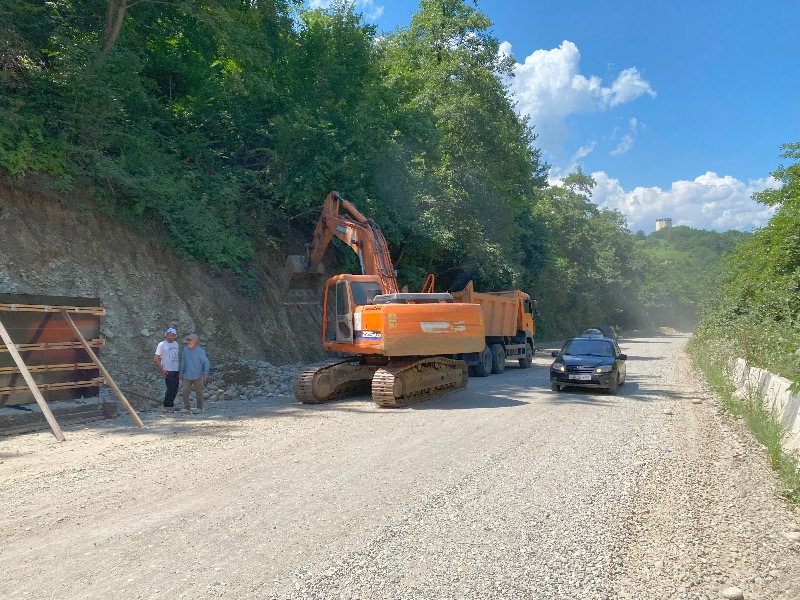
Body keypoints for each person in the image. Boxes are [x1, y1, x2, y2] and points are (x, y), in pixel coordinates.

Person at [179, 333, 210, 413]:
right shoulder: (185, 350)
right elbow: (183, 362)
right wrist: (181, 372)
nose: (188, 341)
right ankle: (187, 408)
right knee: (184, 391)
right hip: (187, 375)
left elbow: (206, 362)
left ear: (195, 341)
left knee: (199, 392)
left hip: (198, 375)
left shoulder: (200, 351)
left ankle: (200, 407)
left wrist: (206, 373)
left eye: (190, 340)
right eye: (187, 340)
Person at [154, 327, 180, 412]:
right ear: (166, 335)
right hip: (167, 369)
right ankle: (166, 405)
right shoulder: (162, 344)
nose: (170, 337)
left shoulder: (176, 344)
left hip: (176, 369)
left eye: (172, 335)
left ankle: (171, 404)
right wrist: (161, 369)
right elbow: (156, 357)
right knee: (170, 387)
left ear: (175, 336)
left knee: (175, 387)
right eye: (168, 335)